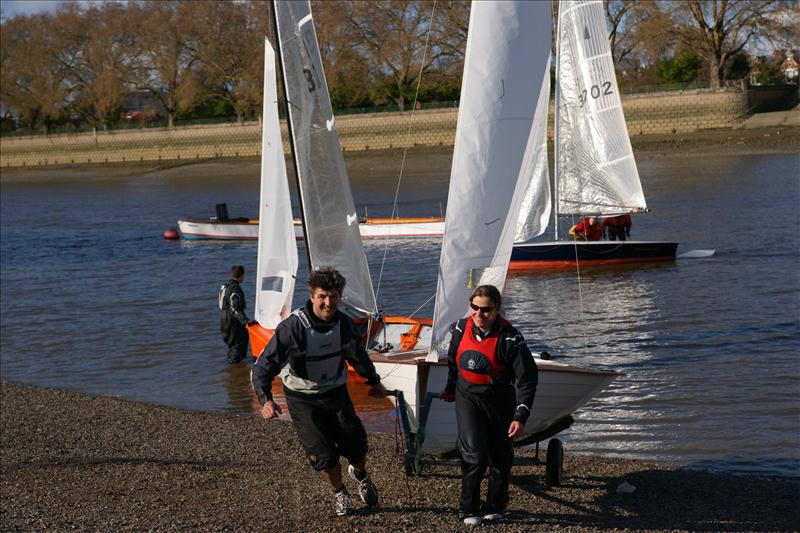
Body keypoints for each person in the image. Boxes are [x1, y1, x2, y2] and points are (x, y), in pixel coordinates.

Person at [250, 267, 387, 516]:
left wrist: (374, 381)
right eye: (323, 296)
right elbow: (262, 368)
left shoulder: (344, 323)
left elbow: (358, 356)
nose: (328, 302)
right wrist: (266, 400)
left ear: (340, 297)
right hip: (302, 399)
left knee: (356, 444)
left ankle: (360, 474)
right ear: (312, 296)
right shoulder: (293, 328)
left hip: (335, 391)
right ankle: (340, 493)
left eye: (334, 296)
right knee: (323, 455)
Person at [440, 285, 538, 526]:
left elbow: (527, 379)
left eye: (486, 310)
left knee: (501, 457)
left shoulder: (511, 337)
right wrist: (450, 389)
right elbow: (454, 363)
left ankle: (495, 505)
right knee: (475, 456)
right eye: (475, 308)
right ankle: (467, 508)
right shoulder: (461, 328)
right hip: (468, 398)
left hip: (499, 399)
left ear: (497, 310)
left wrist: (520, 416)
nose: (479, 314)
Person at [219, 265, 254, 364]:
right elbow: (235, 308)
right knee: (237, 347)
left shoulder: (225, 286)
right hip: (233, 321)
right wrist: (245, 321)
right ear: (242, 275)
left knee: (233, 346)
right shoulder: (235, 288)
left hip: (224, 319)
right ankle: (233, 371)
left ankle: (234, 372)